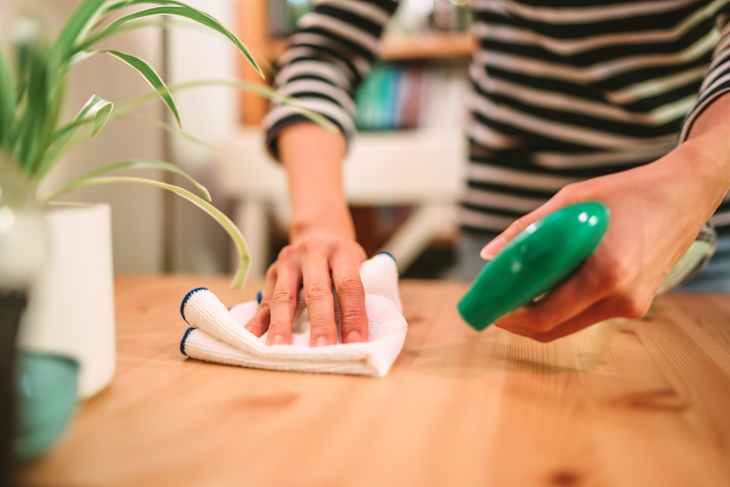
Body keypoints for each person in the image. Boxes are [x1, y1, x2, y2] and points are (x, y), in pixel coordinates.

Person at [245, 0, 730, 345]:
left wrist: (696, 172)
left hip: (693, 232)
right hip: (505, 248)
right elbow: (323, 51)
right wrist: (318, 224)